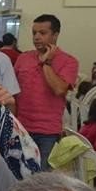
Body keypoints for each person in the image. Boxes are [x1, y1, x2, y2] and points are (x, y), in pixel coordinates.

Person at [14, 14, 79, 169]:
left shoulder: (69, 61)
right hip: (20, 129)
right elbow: (13, 91)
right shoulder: (24, 58)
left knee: (40, 180)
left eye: (42, 33)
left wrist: (46, 63)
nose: (36, 37)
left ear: (55, 35)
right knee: (17, 175)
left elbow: (59, 89)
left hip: (47, 132)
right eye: (34, 33)